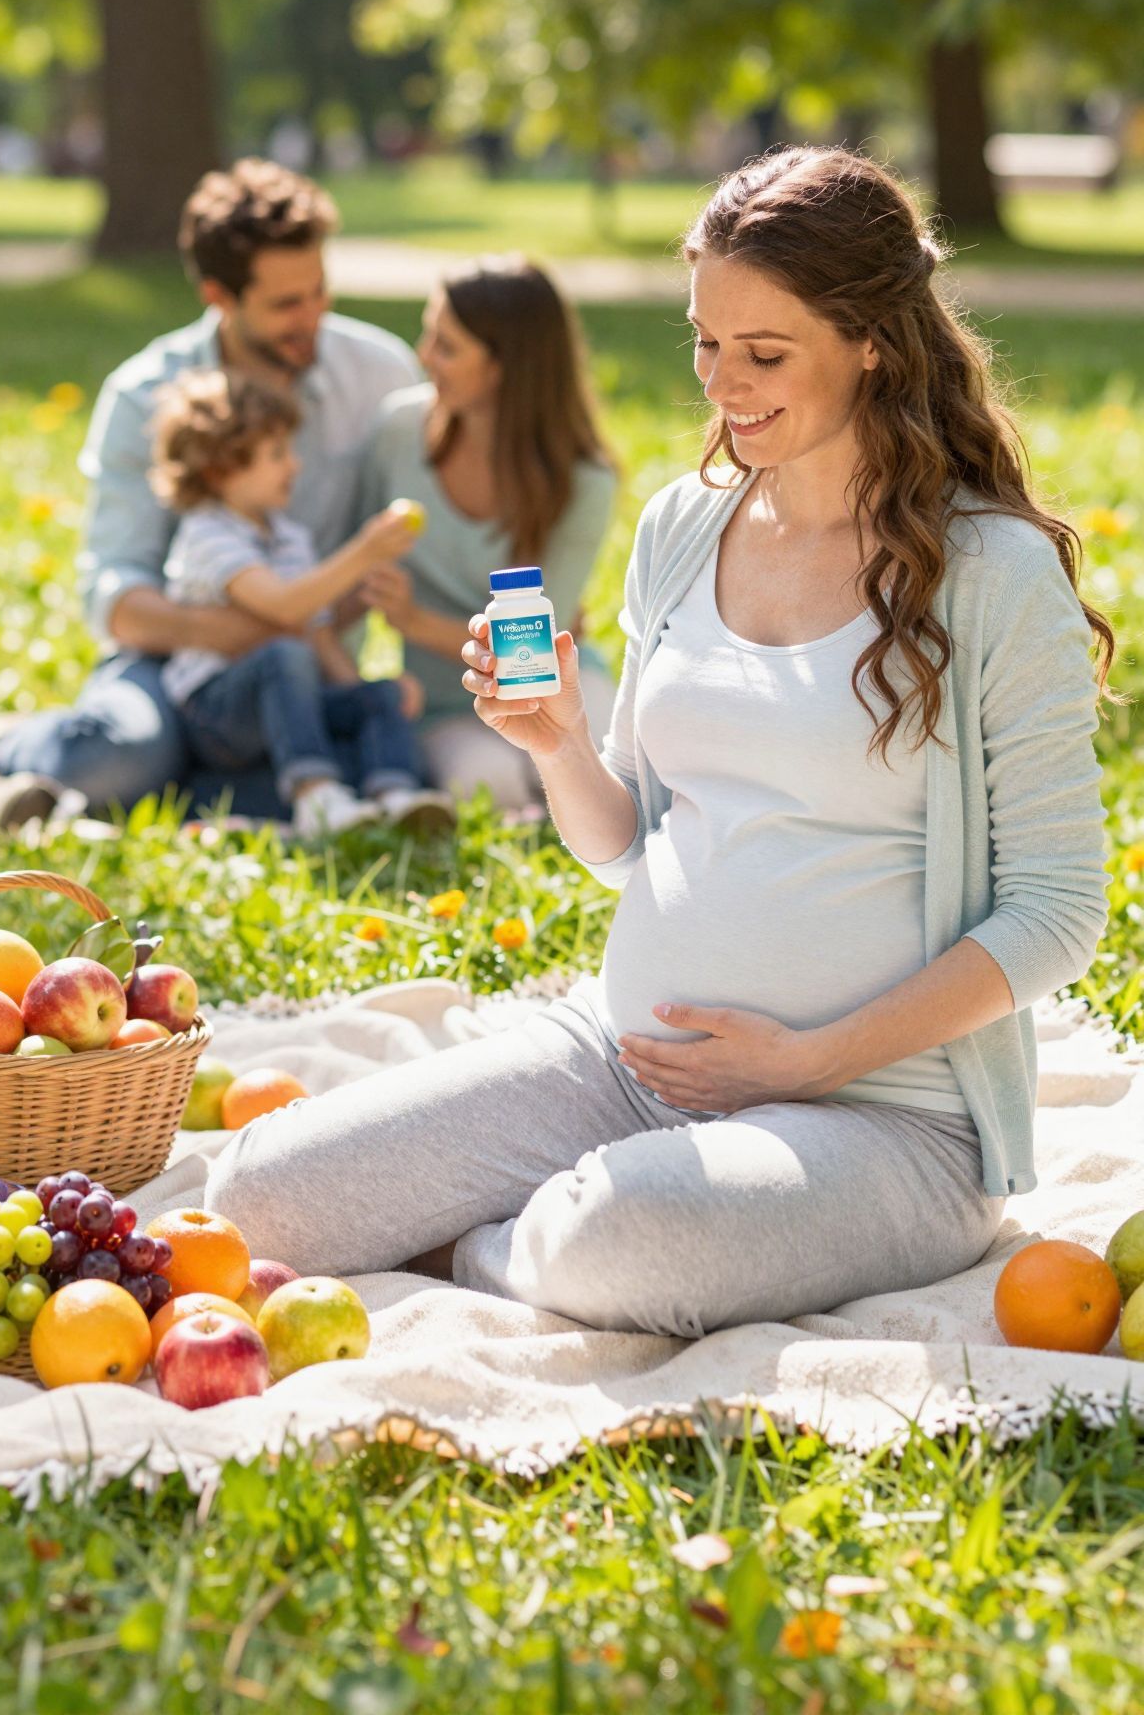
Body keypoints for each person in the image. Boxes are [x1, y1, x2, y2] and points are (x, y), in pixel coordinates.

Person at [206, 147, 1110, 1338]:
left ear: (872, 340)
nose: (723, 384)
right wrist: (558, 743)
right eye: (705, 342)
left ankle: (501, 1241)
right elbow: (627, 838)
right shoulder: (684, 527)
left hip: (883, 1117)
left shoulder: (992, 570)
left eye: (764, 352)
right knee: (263, 1194)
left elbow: (1058, 911)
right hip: (628, 1059)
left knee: (625, 1238)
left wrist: (803, 1060)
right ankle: (539, 1226)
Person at [0, 159, 419, 824]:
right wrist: (267, 629)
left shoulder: (382, 374)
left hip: (298, 676)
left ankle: (177, 791)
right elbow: (119, 598)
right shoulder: (143, 396)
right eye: (286, 304)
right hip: (169, 669)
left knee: (383, 756)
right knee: (124, 754)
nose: (313, 316)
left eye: (319, 291)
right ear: (219, 295)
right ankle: (15, 746)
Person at [354, 256, 619, 810]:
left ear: (504, 367)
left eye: (446, 346)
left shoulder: (584, 480)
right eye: (429, 335)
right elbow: (356, 561)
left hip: (552, 688)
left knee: (608, 773)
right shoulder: (398, 431)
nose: (424, 356)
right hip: (447, 703)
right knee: (490, 787)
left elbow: (533, 649)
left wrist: (412, 621)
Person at [151, 369, 455, 837]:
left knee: (377, 693)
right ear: (220, 470)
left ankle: (395, 796)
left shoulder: (290, 537)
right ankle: (315, 795)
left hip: (290, 706)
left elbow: (317, 631)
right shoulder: (206, 535)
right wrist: (365, 552)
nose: (293, 466)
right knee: (283, 653)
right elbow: (284, 608)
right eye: (277, 454)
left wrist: (368, 698)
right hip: (215, 712)